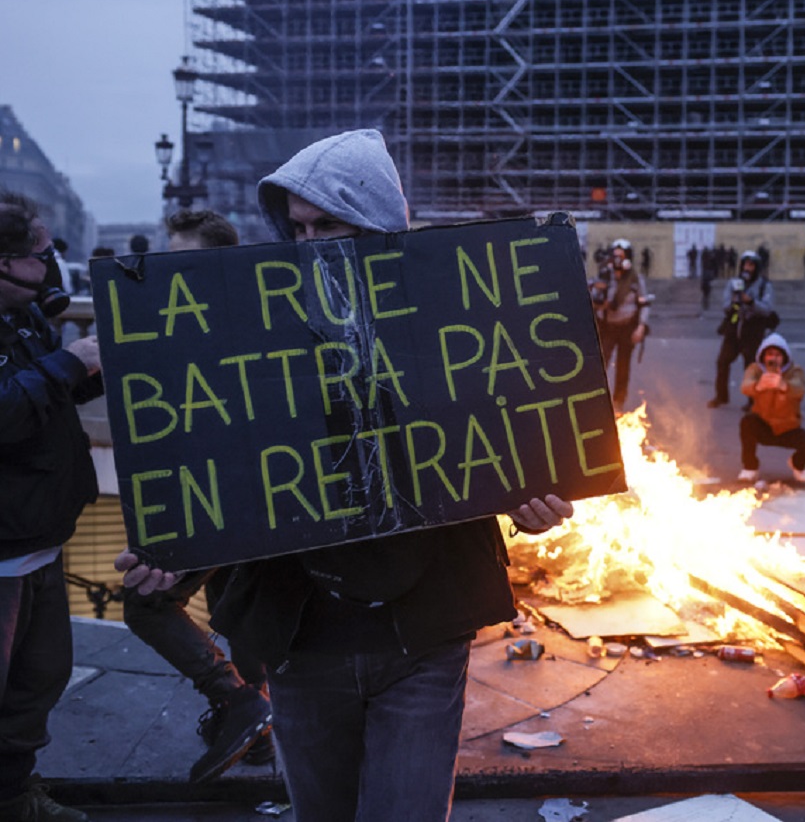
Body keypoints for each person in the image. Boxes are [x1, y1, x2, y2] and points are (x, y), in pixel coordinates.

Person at [119, 129, 573, 822]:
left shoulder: (453, 309)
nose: (310, 242)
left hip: (423, 636)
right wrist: (173, 553)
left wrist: (527, 500)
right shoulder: (256, 326)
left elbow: (489, 436)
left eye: (328, 222)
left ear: (381, 225)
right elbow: (236, 470)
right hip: (303, 643)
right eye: (296, 226)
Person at [118, 209, 274, 785]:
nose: (167, 270)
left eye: (180, 259)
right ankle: (258, 734)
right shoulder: (238, 308)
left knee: (146, 604)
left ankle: (237, 701)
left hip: (225, 489)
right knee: (237, 604)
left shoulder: (205, 317)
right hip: (241, 488)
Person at [0, 192, 102, 822]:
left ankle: (13, 795)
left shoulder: (26, 315)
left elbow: (45, 398)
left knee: (38, 682)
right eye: (42, 254)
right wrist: (68, 362)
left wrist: (97, 367)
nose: (54, 265)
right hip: (4, 551)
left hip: (40, 536)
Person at [737, 333, 805, 484]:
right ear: (763, 356)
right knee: (747, 422)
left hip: (787, 427)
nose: (773, 359)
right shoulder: (755, 369)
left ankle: (797, 464)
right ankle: (750, 467)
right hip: (763, 424)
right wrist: (759, 386)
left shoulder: (795, 371)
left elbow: (800, 389)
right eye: (769, 354)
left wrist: (783, 386)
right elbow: (744, 387)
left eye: (777, 355)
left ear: (784, 357)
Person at [708, 250, 776, 409]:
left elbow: (767, 309)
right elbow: (725, 305)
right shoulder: (734, 283)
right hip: (734, 328)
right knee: (722, 362)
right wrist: (734, 302)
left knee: (751, 367)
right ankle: (721, 396)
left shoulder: (764, 286)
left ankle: (752, 401)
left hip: (753, 330)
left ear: (757, 267)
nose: (747, 268)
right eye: (745, 264)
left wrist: (751, 302)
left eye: (751, 265)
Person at [590, 238, 650, 412]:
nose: (617, 260)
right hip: (607, 327)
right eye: (614, 256)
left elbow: (644, 303)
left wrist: (641, 327)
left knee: (623, 367)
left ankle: (618, 402)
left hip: (627, 328)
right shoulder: (604, 275)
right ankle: (595, 400)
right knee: (601, 363)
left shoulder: (635, 279)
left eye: (621, 256)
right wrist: (598, 298)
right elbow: (594, 300)